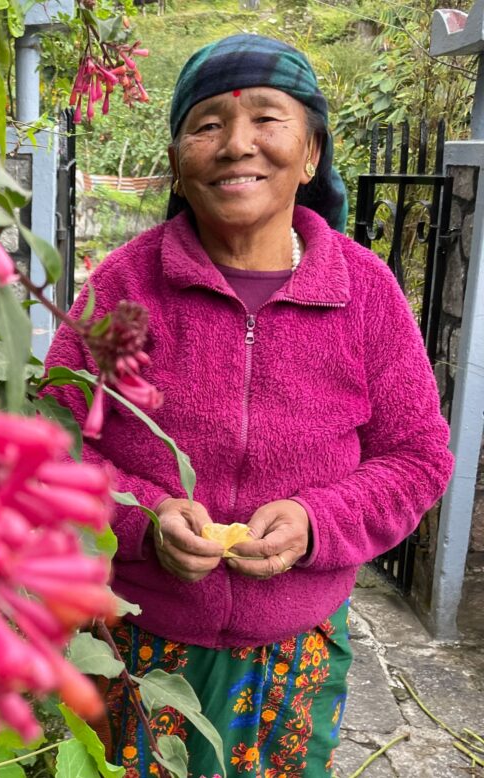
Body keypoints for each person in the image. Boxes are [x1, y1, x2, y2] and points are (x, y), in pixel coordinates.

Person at [43, 34, 454, 777]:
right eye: (206, 125)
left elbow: (419, 457)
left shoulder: (366, 295)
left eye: (268, 120)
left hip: (295, 655)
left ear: (311, 155)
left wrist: (314, 522)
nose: (237, 145)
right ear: (176, 161)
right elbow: (55, 445)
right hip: (136, 645)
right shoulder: (124, 288)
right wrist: (144, 517)